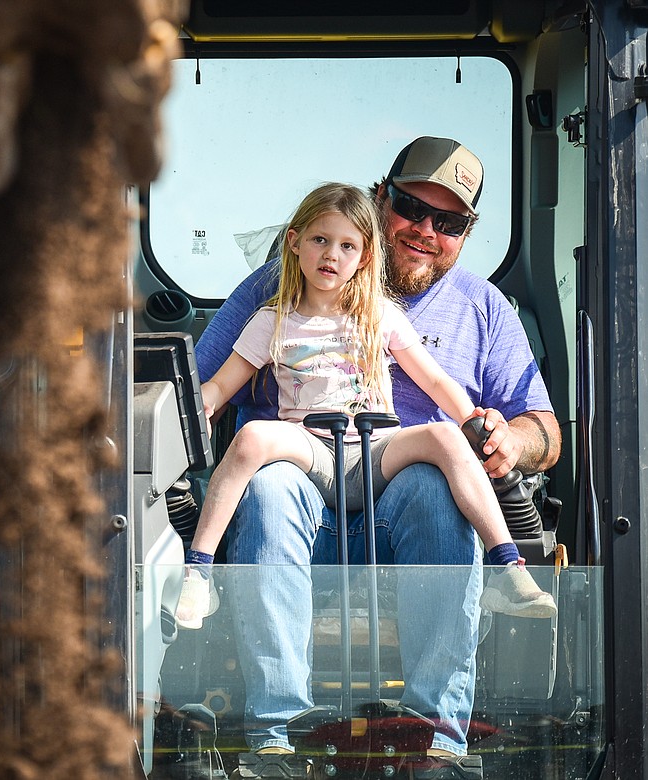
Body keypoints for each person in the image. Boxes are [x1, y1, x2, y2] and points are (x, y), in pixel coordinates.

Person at [194, 137, 562, 778]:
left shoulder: (484, 308)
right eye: (412, 208)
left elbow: (546, 432)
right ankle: (274, 734)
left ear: (466, 234)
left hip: (401, 488)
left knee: (434, 484)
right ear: (378, 198)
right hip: (301, 482)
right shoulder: (274, 296)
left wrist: (509, 440)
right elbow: (197, 393)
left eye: (448, 223)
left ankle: (436, 741)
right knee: (269, 486)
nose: (426, 231)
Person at [175, 182, 554, 631]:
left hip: (376, 450)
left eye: (347, 246)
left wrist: (474, 420)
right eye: (320, 240)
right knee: (252, 437)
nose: (331, 256)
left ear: (365, 257)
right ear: (293, 242)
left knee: (445, 437)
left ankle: (508, 568)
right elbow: (219, 384)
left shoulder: (382, 316)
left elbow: (433, 379)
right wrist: (192, 407)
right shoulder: (269, 318)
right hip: (308, 450)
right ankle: (198, 573)